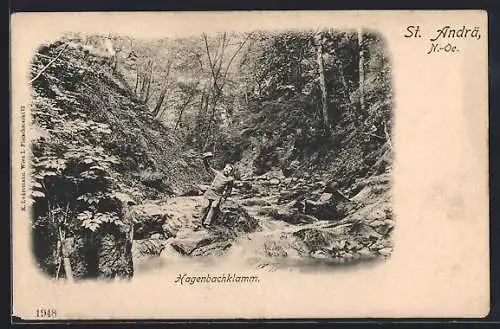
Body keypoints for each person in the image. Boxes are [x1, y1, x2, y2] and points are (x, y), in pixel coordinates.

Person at [200, 152, 235, 228]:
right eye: (226, 168)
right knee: (205, 206)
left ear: (231, 172)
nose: (227, 170)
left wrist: (224, 197)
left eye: (229, 170)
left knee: (214, 206)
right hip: (210, 192)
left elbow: (229, 190)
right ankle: (199, 221)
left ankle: (207, 223)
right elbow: (208, 168)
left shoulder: (230, 179)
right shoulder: (217, 173)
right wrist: (205, 160)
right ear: (224, 168)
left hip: (218, 195)